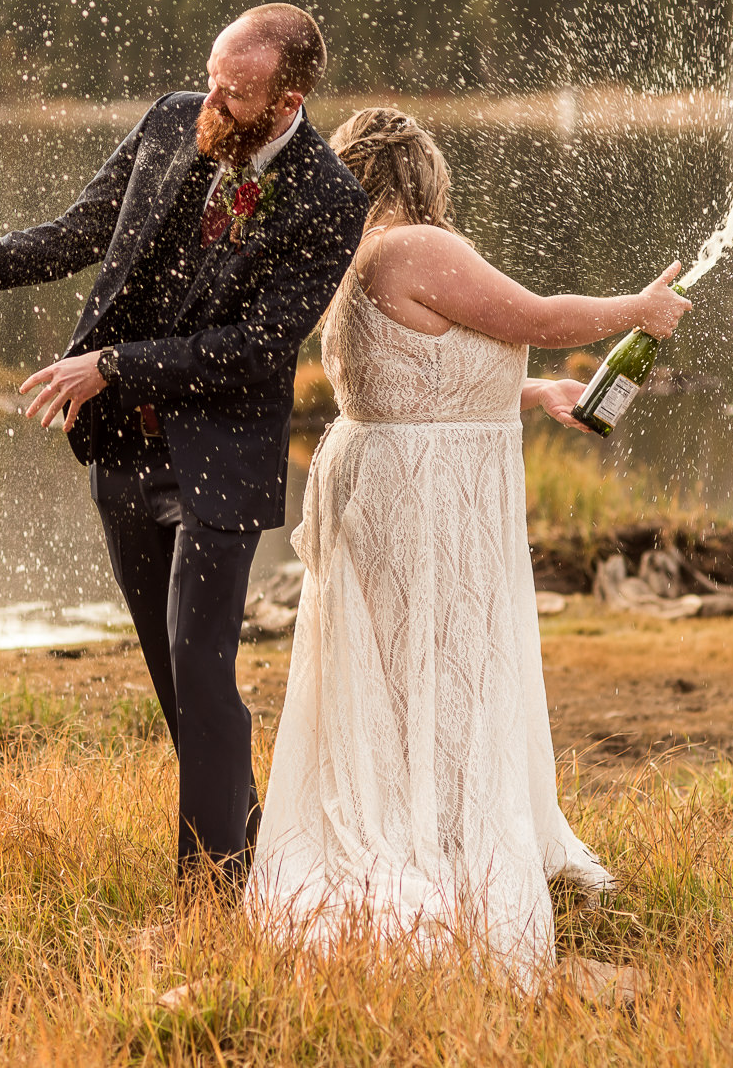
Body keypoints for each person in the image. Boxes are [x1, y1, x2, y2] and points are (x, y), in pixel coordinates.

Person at [0, 5, 369, 888]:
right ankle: (251, 849)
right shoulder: (174, 118)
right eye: (212, 73)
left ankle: (212, 891)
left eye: (237, 89)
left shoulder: (332, 200)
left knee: (200, 659)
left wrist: (112, 363)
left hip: (219, 455)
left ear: (288, 99)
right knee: (174, 677)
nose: (213, 96)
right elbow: (74, 234)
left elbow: (257, 349)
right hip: (122, 453)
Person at [244, 107, 691, 984]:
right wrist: (637, 309)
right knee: (443, 665)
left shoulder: (358, 258)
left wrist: (530, 394)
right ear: (418, 172)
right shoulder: (409, 245)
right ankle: (441, 840)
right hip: (429, 500)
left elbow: (417, 372)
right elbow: (537, 312)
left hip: (399, 480)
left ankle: (432, 817)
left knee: (414, 669)